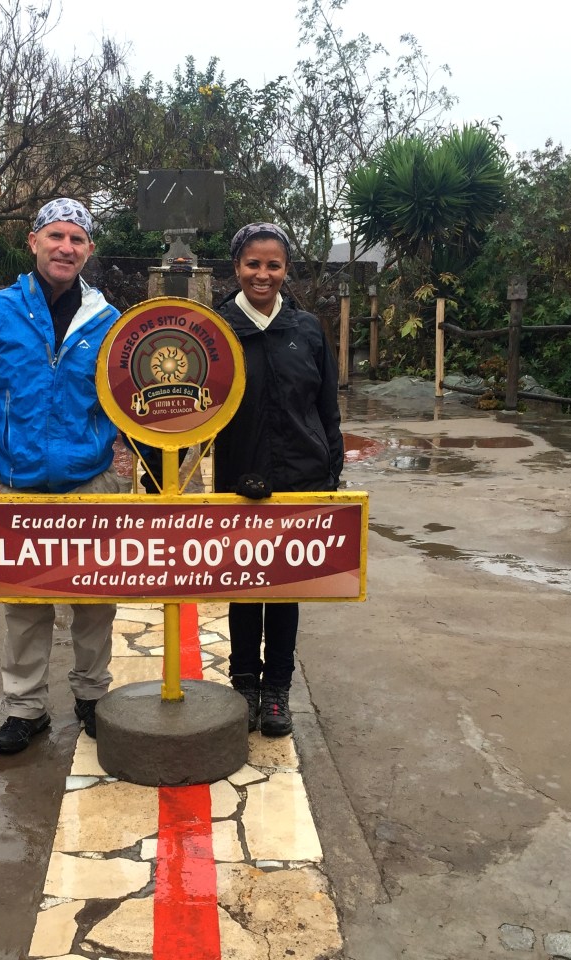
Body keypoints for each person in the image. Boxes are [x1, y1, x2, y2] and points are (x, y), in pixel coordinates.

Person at [0, 198, 127, 756]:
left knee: (95, 602)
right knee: (25, 607)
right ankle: (26, 708)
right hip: (18, 488)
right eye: (56, 236)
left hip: (91, 484)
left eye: (77, 239)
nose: (66, 247)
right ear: (34, 241)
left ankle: (92, 697)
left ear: (89, 249)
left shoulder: (107, 321)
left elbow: (128, 399)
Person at [214, 223, 343, 737]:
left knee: (284, 588)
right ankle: (244, 683)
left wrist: (331, 473)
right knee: (244, 585)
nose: (262, 274)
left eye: (273, 265)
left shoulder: (307, 329)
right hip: (238, 476)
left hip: (301, 479)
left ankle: (277, 692)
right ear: (237, 268)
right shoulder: (217, 329)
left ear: (286, 270)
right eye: (252, 264)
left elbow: (326, 407)